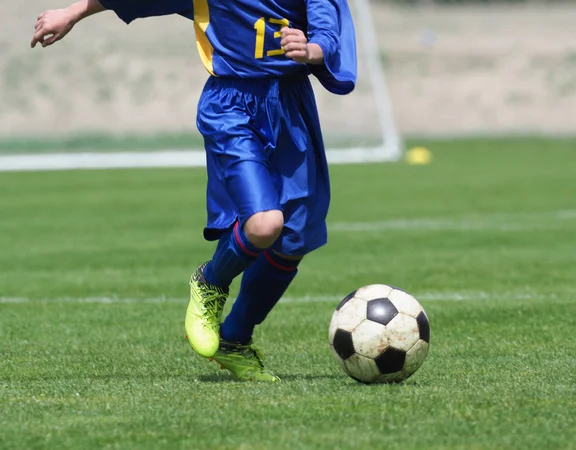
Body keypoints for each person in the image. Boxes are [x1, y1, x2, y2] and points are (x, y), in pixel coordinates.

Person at [32, 0, 357, 382]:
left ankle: (235, 339)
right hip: (231, 107)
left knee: (293, 241)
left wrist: (311, 50)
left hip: (291, 108)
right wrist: (70, 12)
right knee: (265, 224)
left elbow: (329, 35)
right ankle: (210, 282)